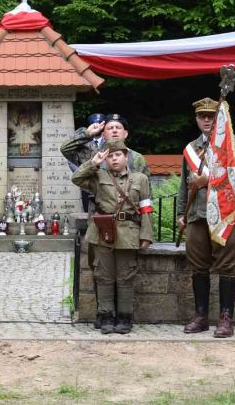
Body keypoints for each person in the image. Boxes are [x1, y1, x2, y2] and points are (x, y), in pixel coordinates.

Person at [60, 113, 149, 329]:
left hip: (127, 225)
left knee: (124, 272)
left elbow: (146, 201)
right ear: (103, 131)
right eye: (110, 127)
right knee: (101, 270)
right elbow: (68, 154)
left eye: (119, 127)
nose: (115, 131)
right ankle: (104, 314)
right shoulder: (95, 155)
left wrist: (146, 232)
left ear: (126, 133)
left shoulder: (136, 160)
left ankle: (123, 316)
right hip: (99, 220)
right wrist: (87, 137)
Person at [176, 97, 235, 338]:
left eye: (211, 116)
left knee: (226, 268)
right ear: (196, 119)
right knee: (198, 267)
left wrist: (206, 181)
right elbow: (184, 185)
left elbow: (234, 177)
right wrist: (180, 213)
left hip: (224, 216)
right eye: (202, 116)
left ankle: (226, 318)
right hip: (197, 216)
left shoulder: (232, 144)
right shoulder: (191, 149)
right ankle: (201, 316)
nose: (206, 120)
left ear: (218, 118)